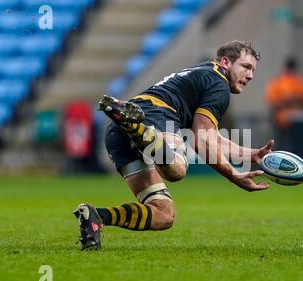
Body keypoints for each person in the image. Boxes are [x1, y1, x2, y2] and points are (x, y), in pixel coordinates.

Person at [73, 40, 274, 250]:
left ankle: (96, 217)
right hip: (157, 115)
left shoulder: (205, 73)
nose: (250, 75)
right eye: (246, 67)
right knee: (177, 169)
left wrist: (249, 154)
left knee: (164, 214)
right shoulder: (218, 84)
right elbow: (202, 139)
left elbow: (212, 137)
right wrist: (234, 175)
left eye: (253, 70)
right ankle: (139, 129)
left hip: (117, 130)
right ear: (225, 62)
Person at [264, 56, 303, 150]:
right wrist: (292, 100)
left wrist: (289, 101)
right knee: (291, 147)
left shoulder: (279, 82)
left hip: (291, 121)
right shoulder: (299, 82)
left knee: (285, 148)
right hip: (287, 122)